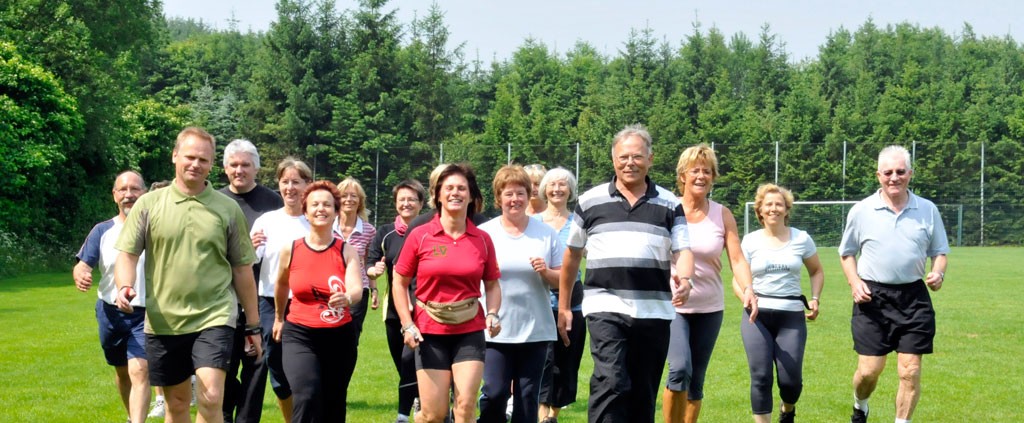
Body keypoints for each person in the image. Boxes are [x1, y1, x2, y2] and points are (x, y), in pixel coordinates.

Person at [114, 126, 263, 423]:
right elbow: (128, 255)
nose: (196, 164)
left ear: (211, 165)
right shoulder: (149, 204)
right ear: (175, 156)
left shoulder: (227, 209)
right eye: (190, 157)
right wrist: (124, 286)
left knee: (210, 396)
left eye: (204, 160)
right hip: (164, 320)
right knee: (178, 404)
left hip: (215, 315)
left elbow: (242, 269)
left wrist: (254, 325)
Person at [557, 124, 694, 423]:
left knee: (643, 391)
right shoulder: (591, 201)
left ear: (650, 159)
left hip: (654, 310)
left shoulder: (671, 204)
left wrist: (685, 280)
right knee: (612, 381)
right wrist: (565, 306)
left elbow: (683, 251)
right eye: (623, 157)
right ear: (613, 159)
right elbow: (572, 256)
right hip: (606, 307)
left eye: (637, 157)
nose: (629, 163)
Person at [839, 146, 949, 423]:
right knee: (868, 372)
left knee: (909, 370)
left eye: (900, 172)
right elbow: (846, 253)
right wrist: (854, 282)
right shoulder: (862, 210)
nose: (894, 178)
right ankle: (860, 404)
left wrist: (938, 273)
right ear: (878, 175)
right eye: (888, 172)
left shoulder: (927, 209)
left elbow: (940, 252)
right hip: (872, 299)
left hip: (914, 298)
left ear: (910, 174)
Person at [392, 163, 502, 423]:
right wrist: (407, 324)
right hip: (430, 331)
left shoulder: (482, 239)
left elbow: (493, 284)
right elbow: (399, 281)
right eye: (449, 188)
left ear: (472, 196)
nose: (455, 193)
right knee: (433, 414)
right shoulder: (420, 235)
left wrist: (494, 314)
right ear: (437, 195)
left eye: (462, 188)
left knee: (465, 406)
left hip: (470, 329)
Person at [663, 144, 754, 423]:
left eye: (707, 171)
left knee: (696, 379)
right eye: (695, 171)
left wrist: (749, 289)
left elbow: (737, 259)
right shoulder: (667, 209)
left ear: (713, 177)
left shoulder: (722, 214)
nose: (701, 176)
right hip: (673, 307)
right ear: (682, 176)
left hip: (710, 308)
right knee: (679, 369)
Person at [272, 180, 364, 423]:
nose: (321, 209)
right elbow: (281, 285)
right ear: (306, 211)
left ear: (335, 212)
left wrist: (347, 297)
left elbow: (356, 288)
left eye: (327, 205)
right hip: (299, 334)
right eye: (315, 205)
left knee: (333, 401)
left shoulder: (346, 250)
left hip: (339, 336)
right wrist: (279, 318)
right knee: (306, 395)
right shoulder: (291, 249)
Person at [478, 165, 563, 423]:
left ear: (529, 196)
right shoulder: (485, 234)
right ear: (498, 198)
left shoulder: (546, 234)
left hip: (535, 330)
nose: (514, 199)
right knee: (494, 393)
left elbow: (563, 280)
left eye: (520, 193)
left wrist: (546, 272)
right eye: (508, 194)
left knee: (527, 398)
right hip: (495, 329)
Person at [739, 184, 824, 423]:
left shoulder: (801, 239)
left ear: (787, 210)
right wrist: (746, 295)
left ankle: (787, 410)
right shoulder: (750, 241)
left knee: (790, 380)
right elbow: (739, 277)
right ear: (760, 210)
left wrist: (815, 298)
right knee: (761, 376)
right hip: (756, 316)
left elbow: (816, 271)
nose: (773, 208)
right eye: (768, 204)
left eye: (779, 204)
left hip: (791, 316)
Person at [73, 170, 151, 423]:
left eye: (135, 189)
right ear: (115, 195)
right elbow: (83, 263)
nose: (129, 195)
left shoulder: (155, 228)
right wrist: (81, 273)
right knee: (122, 371)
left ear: (144, 193)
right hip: (109, 312)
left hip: (146, 312)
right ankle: (131, 416)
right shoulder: (102, 230)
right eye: (123, 190)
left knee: (140, 369)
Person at [218, 138, 283, 423]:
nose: (239, 170)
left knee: (258, 363)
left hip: (262, 297)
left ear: (256, 168)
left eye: (245, 165)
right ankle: (223, 414)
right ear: (225, 168)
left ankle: (247, 419)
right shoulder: (215, 202)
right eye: (234, 165)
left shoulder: (273, 202)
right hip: (223, 297)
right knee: (224, 363)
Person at [249, 157, 314, 423]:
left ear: (307, 185)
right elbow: (250, 262)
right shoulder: (267, 221)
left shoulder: (318, 220)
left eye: (296, 182)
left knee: (306, 366)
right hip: (270, 302)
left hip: (308, 302)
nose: (290, 188)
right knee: (275, 364)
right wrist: (250, 248)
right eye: (284, 182)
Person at [366, 179, 427, 423]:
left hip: (423, 310)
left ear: (421, 203)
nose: (406, 203)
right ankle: (420, 398)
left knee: (408, 358)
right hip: (394, 311)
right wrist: (374, 270)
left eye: (412, 199)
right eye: (401, 199)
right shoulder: (385, 233)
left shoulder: (430, 231)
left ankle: (403, 415)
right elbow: (370, 262)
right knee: (403, 365)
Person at [535, 167, 586, 423]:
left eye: (563, 185)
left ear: (570, 190)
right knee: (542, 360)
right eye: (552, 184)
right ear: (544, 189)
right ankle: (542, 414)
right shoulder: (533, 221)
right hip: (538, 302)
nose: (557, 189)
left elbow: (589, 252)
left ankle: (553, 413)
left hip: (573, 303)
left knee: (567, 360)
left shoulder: (579, 222)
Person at [333, 177, 379, 337]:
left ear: (360, 201)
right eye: (344, 195)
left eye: (353, 196)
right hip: (331, 288)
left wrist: (374, 289)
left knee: (351, 335)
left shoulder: (369, 231)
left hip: (359, 290)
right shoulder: (326, 227)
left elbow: (369, 262)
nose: (349, 199)